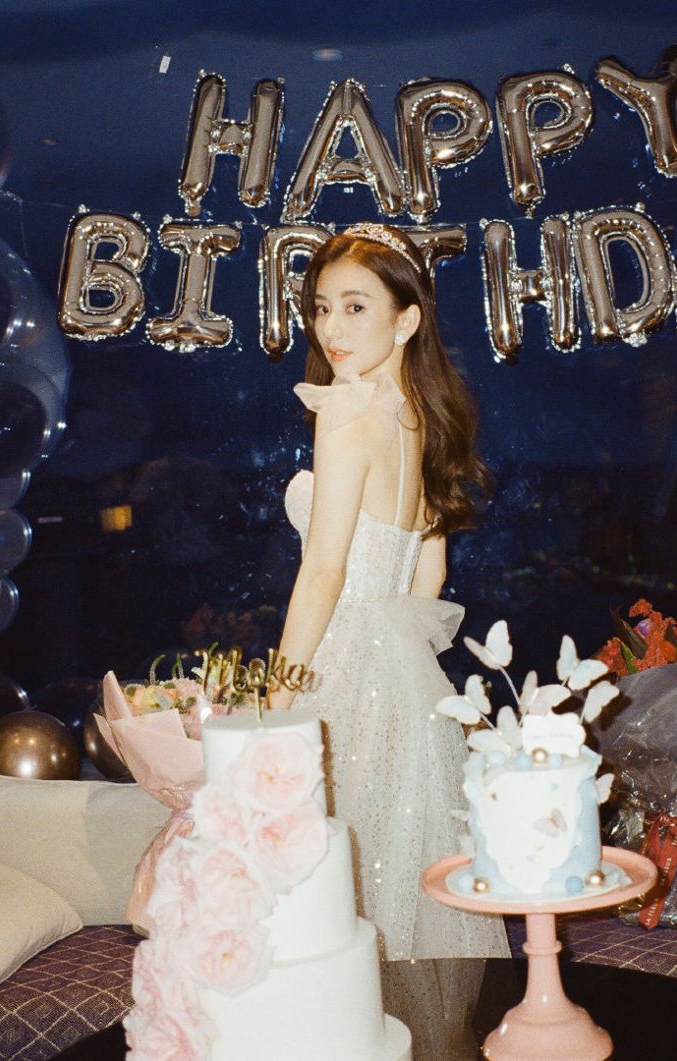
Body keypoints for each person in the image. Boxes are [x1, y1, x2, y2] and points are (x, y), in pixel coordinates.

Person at [270, 223, 508, 974]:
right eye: (321, 308)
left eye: (355, 307)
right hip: (405, 682)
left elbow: (324, 573)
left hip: (340, 668)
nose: (331, 329)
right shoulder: (421, 418)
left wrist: (279, 695)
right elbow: (427, 578)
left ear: (406, 321)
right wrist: (399, 667)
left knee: (332, 894)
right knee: (397, 879)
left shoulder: (348, 415)